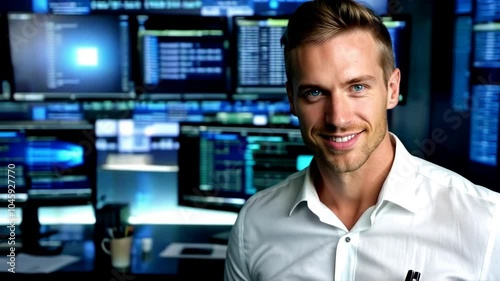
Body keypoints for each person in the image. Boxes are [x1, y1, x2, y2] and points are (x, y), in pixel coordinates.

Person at [224, 0, 500, 280]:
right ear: (292, 100)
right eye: (314, 93)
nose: (338, 119)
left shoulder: (485, 222)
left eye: (357, 87)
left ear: (392, 89)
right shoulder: (255, 223)